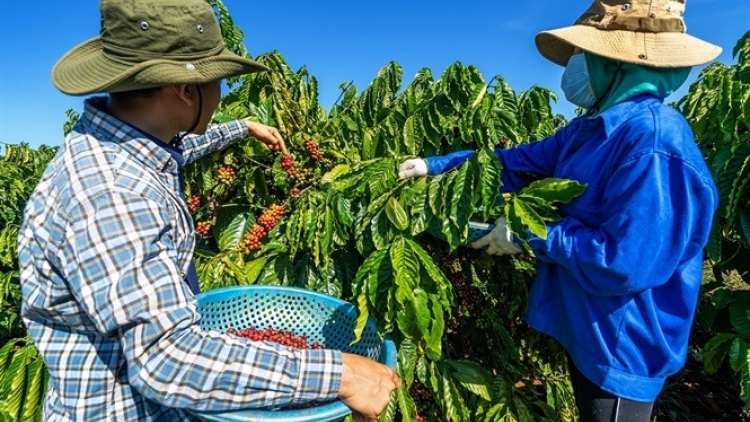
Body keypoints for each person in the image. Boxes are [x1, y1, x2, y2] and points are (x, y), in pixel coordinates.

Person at [16, 0, 399, 421]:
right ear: (185, 90)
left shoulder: (121, 146)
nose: (222, 92)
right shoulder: (112, 195)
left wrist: (243, 127)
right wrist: (338, 374)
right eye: (218, 80)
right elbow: (168, 359)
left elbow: (176, 149)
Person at [399, 0, 720, 420]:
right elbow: (513, 162)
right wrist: (433, 166)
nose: (576, 66)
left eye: (584, 55)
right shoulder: (587, 130)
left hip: (621, 341)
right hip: (586, 325)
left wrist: (531, 235)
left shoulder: (654, 144)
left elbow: (626, 263)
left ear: (616, 64)